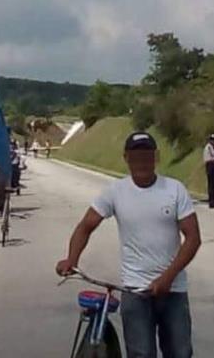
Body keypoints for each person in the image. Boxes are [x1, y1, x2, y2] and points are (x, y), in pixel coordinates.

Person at [55, 131, 201, 358]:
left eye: (147, 156)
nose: (141, 162)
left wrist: (168, 277)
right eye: (135, 156)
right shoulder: (115, 192)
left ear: (156, 157)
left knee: (180, 353)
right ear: (126, 158)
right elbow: (86, 226)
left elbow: (193, 238)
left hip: (173, 291)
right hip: (134, 292)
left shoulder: (174, 189)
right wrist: (71, 259)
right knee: (141, 353)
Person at [202, 134, 214, 208]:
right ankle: (211, 202)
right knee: (211, 185)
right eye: (212, 139)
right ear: (210, 140)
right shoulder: (208, 148)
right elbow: (208, 159)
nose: (213, 141)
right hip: (210, 166)